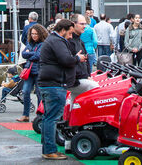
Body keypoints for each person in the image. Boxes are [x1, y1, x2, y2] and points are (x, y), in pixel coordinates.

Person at [38, 19, 85, 160]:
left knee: (48, 117)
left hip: (51, 83)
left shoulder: (53, 41)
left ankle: (48, 148)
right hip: (55, 84)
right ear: (63, 30)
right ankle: (49, 150)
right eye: (70, 33)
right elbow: (66, 59)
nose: (71, 37)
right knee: (51, 118)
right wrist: (77, 58)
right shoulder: (57, 41)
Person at [17, 23, 47, 123]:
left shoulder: (43, 44)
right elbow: (23, 54)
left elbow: (38, 56)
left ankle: (39, 115)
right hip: (29, 72)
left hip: (39, 71)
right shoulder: (30, 43)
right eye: (32, 33)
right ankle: (25, 115)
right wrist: (32, 54)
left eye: (36, 34)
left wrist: (30, 54)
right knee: (25, 92)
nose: (34, 36)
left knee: (39, 94)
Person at [69, 14, 92, 80]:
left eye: (85, 24)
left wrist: (88, 76)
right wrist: (86, 77)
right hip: (75, 81)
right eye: (82, 24)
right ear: (73, 24)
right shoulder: (70, 41)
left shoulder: (80, 41)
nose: (84, 26)